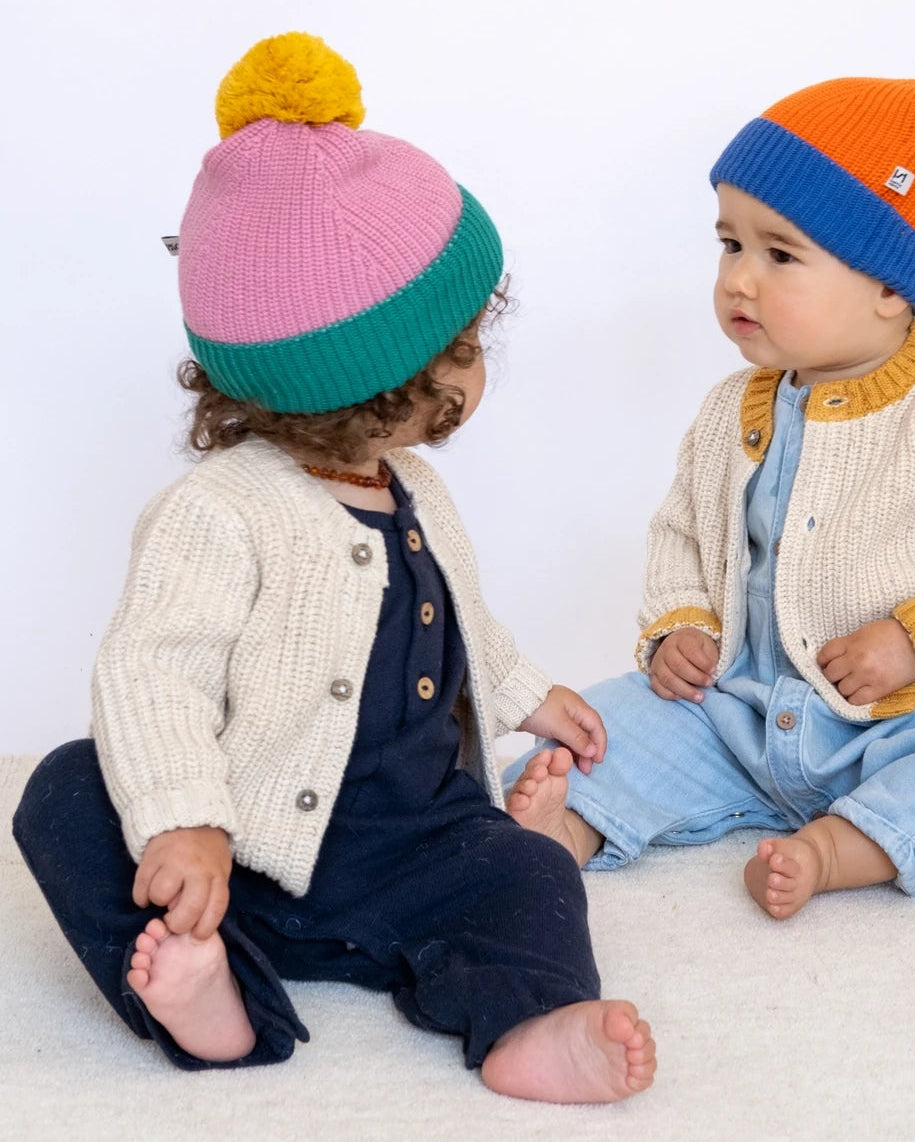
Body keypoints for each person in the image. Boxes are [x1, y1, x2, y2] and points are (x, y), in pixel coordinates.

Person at [11, 32, 655, 1103]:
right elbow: (152, 670)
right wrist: (183, 818)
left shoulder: (414, 491)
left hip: (417, 844)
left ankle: (527, 1022)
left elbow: (460, 622)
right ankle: (217, 998)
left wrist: (522, 693)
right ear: (364, 378)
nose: (476, 370)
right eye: (457, 350)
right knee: (66, 792)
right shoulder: (218, 512)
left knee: (531, 869)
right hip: (247, 857)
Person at [506, 60, 915, 920]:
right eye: (730, 244)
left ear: (891, 284)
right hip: (739, 717)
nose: (740, 278)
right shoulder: (728, 410)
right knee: (590, 728)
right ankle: (565, 832)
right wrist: (683, 627)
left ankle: (847, 843)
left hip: (906, 725)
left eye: (781, 254)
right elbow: (681, 533)